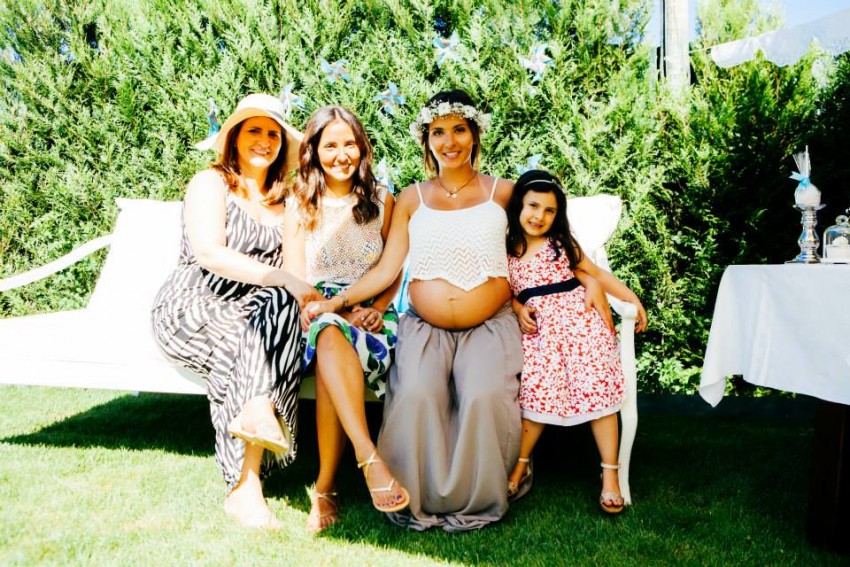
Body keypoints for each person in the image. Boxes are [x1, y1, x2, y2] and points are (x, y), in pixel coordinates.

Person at [303, 90, 609, 531]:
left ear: (475, 134)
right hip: (424, 326)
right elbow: (388, 268)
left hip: (490, 325)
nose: (450, 142)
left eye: (459, 130)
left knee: (483, 395)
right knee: (416, 394)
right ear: (426, 140)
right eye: (439, 132)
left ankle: (479, 496)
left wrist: (593, 280)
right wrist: (338, 301)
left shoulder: (504, 193)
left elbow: (550, 244)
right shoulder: (412, 198)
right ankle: (413, 494)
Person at [151, 93, 319, 529]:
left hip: (257, 314)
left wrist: (300, 296)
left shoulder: (289, 202)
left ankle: (247, 480)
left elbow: (294, 276)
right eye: (254, 131)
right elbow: (209, 253)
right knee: (258, 337)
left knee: (268, 321)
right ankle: (253, 442)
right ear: (233, 138)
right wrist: (281, 279)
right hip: (195, 305)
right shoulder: (211, 184)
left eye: (273, 134)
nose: (264, 140)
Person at [282, 106, 408, 532]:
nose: (341, 154)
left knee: (331, 346)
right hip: (316, 309)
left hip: (372, 315)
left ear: (362, 147)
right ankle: (367, 457)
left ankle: (327, 485)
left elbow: (393, 268)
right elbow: (297, 277)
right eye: (330, 145)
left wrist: (376, 307)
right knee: (328, 333)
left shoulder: (382, 200)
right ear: (313, 151)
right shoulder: (300, 203)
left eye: (349, 143)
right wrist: (333, 308)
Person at [504, 169, 647, 514]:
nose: (539, 216)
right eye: (533, 206)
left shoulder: (561, 244)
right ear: (519, 205)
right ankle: (520, 465)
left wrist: (631, 299)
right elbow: (502, 292)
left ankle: (610, 474)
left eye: (549, 210)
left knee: (597, 386)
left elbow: (595, 274)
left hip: (582, 325)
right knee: (536, 388)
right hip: (541, 334)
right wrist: (518, 307)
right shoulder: (505, 249)